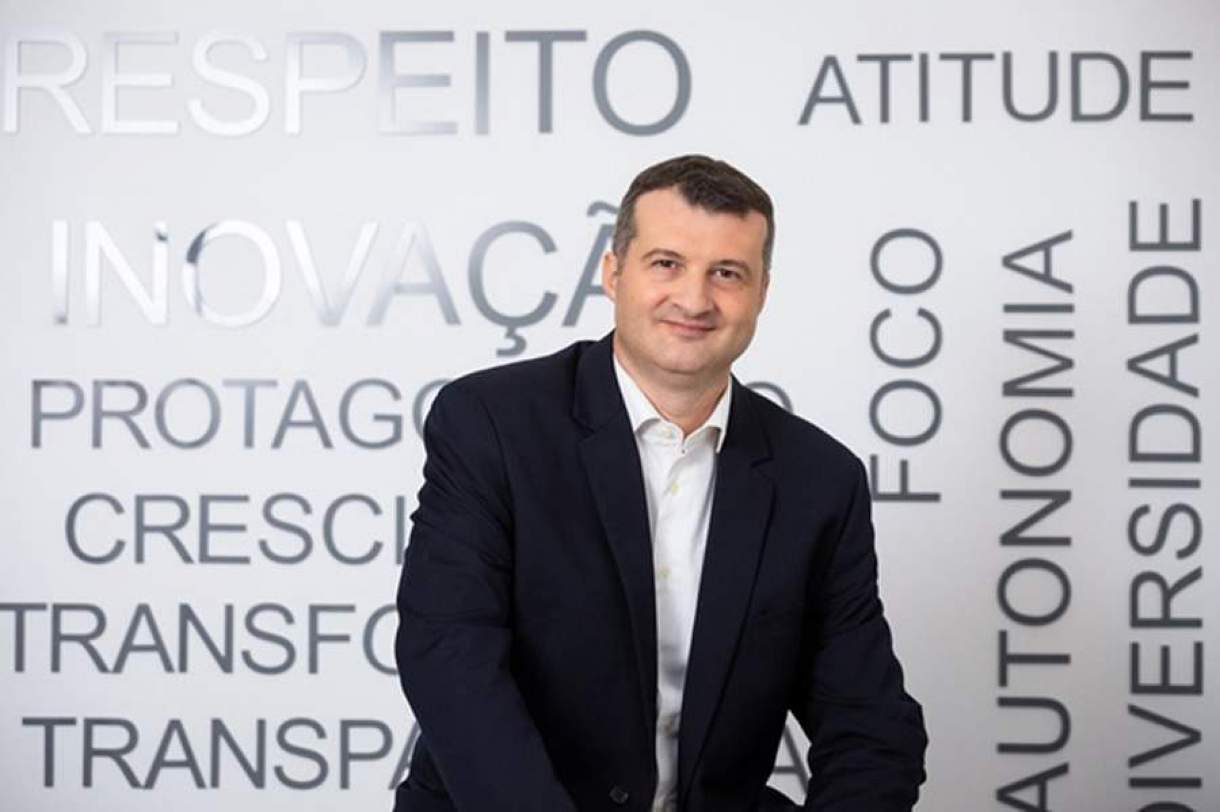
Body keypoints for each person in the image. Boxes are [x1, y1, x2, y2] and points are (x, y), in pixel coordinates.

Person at [393, 154, 928, 811]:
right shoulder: (492, 425)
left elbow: (870, 727)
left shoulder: (818, 480)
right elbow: (449, 657)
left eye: (727, 273)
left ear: (762, 293)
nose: (695, 300)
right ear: (613, 273)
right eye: (667, 264)